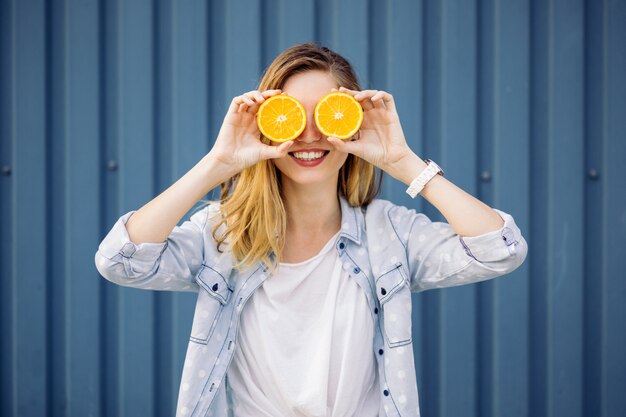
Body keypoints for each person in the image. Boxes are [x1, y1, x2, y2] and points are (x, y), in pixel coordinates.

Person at [95, 42, 528, 417]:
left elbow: (500, 249)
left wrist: (403, 162)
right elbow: (120, 260)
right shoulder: (223, 235)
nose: (308, 136)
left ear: (352, 123)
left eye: (327, 116)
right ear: (266, 125)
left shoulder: (389, 234)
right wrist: (217, 165)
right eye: (289, 116)